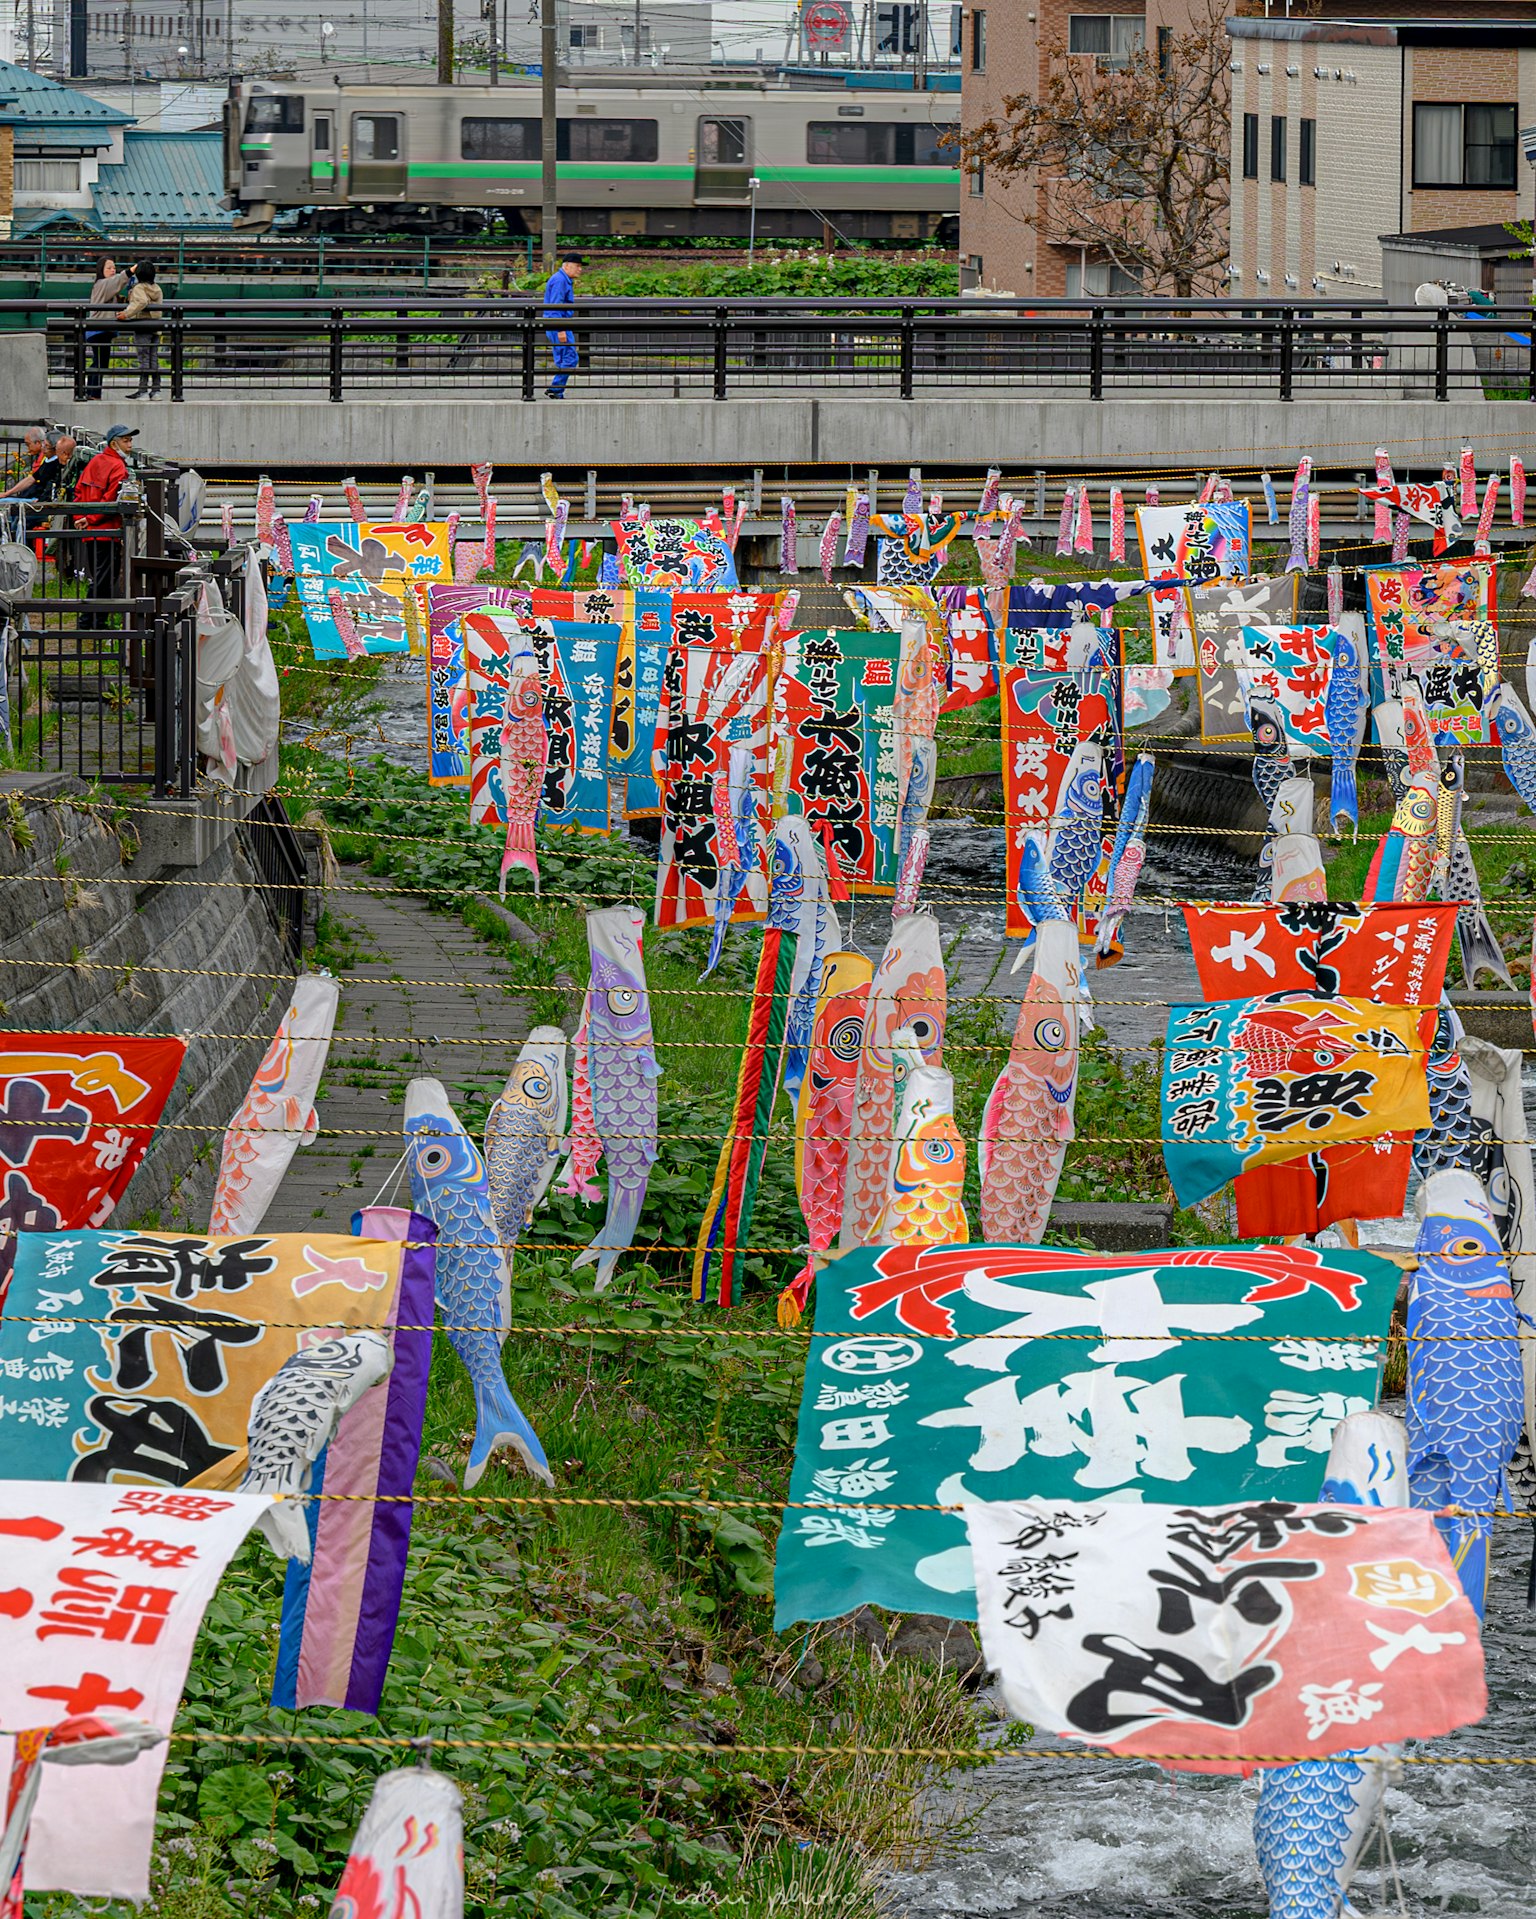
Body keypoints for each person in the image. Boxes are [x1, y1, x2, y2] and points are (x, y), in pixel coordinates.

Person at [73, 425, 136, 598]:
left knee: (98, 576)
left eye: (130, 440)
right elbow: (110, 501)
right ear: (114, 445)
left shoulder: (95, 461)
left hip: (90, 531)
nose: (130, 444)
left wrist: (81, 518)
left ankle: (94, 620)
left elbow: (78, 492)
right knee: (105, 579)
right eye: (126, 441)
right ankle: (90, 621)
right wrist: (90, 519)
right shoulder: (118, 467)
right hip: (107, 531)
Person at [541, 252, 584, 399]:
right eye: (577, 266)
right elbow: (555, 306)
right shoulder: (560, 281)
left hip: (559, 323)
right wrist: (561, 328)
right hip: (559, 324)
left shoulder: (561, 279)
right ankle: (556, 389)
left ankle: (557, 391)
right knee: (570, 358)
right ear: (566, 266)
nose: (580, 269)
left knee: (564, 358)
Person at [84, 256, 128, 400]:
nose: (112, 270)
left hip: (103, 329)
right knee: (100, 362)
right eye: (109, 268)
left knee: (100, 361)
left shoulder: (104, 285)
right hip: (100, 329)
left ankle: (90, 391)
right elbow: (119, 281)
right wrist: (131, 271)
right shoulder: (103, 284)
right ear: (101, 270)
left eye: (114, 267)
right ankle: (93, 392)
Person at [120, 264, 163, 400]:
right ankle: (156, 390)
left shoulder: (139, 288)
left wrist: (126, 314)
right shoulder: (157, 288)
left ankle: (143, 390)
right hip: (156, 326)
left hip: (142, 325)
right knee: (153, 358)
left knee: (143, 358)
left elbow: (142, 302)